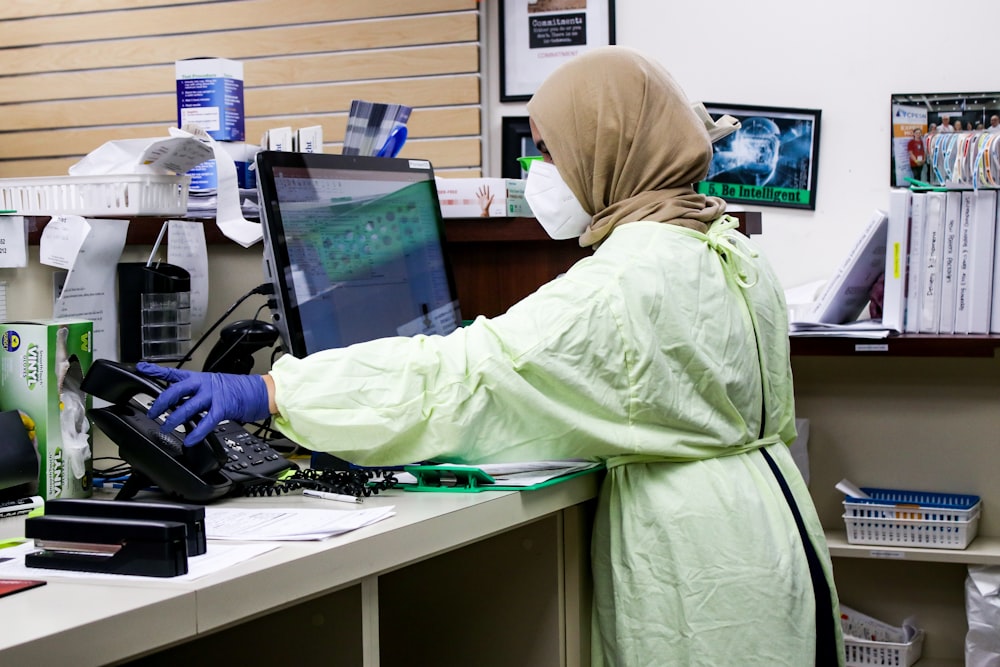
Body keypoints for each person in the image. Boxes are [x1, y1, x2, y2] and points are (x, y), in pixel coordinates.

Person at [139, 46, 844, 665]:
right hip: (773, 537)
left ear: (609, 152)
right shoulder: (728, 248)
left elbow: (462, 379)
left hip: (700, 567)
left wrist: (272, 394)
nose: (542, 171)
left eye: (553, 151)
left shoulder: (626, 282)